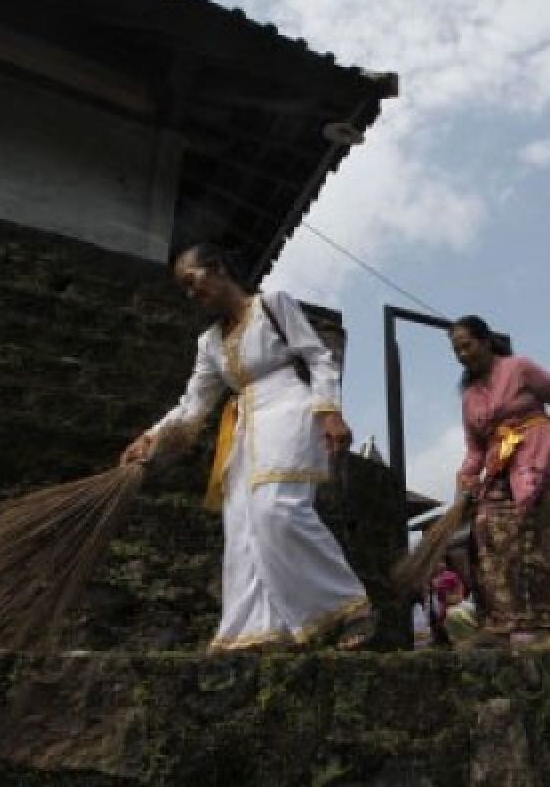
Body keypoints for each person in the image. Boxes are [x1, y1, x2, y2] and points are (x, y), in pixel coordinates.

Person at [120, 242, 372, 653]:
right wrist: (151, 437)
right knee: (243, 529)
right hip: (243, 433)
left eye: (192, 281)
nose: (191, 294)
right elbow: (193, 405)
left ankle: (348, 606)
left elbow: (318, 357)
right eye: (184, 289)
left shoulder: (273, 304)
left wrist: (330, 412)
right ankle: (256, 631)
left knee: (279, 511)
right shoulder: (209, 344)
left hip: (290, 411)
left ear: (217, 268)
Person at [451, 315, 550, 647]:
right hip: (498, 464)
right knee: (487, 530)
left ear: (486, 340)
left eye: (467, 345)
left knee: (539, 534)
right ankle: (504, 622)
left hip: (537, 459)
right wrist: (466, 474)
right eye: (456, 350)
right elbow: (475, 448)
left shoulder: (519, 367)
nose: (462, 354)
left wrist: (549, 438)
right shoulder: (470, 397)